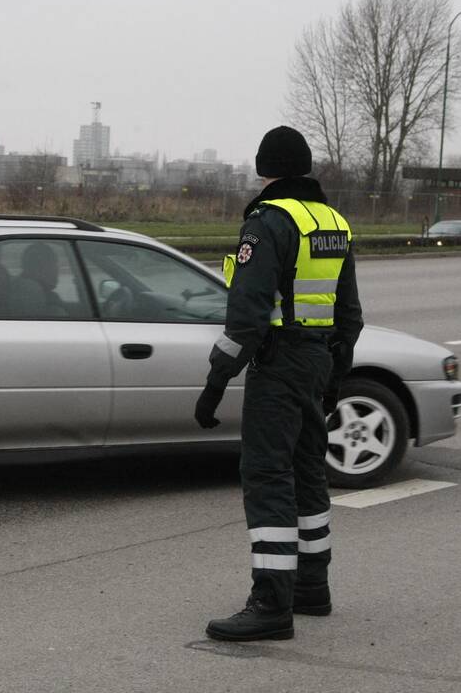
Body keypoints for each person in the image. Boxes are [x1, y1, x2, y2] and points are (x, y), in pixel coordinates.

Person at [194, 126, 363, 641]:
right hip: (317, 361)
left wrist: (215, 383)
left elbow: (246, 317)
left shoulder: (267, 222)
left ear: (265, 168)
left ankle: (271, 601)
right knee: (308, 470)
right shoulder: (334, 222)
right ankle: (312, 587)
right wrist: (333, 377)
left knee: (267, 474)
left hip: (279, 362)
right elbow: (349, 315)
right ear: (305, 167)